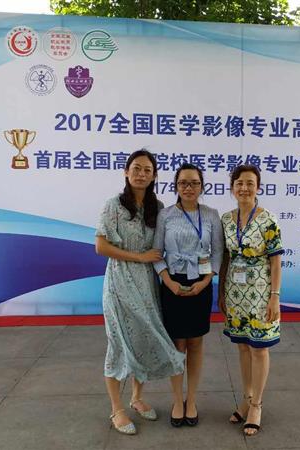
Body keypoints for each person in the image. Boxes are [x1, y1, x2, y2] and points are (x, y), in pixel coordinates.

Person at [95, 149, 185, 435]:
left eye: (147, 169)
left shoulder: (157, 207)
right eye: (136, 168)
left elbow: (163, 245)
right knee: (118, 342)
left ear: (154, 175)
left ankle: (136, 397)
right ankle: (117, 408)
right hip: (119, 280)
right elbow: (101, 246)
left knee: (144, 337)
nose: (141, 173)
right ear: (126, 172)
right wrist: (139, 257)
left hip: (147, 283)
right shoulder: (113, 205)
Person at [153, 163, 224, 427]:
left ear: (202, 186)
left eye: (194, 183)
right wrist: (168, 281)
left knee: (195, 343)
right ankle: (176, 400)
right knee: (176, 345)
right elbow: (156, 253)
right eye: (183, 183)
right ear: (176, 186)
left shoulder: (211, 215)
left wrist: (206, 281)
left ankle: (191, 400)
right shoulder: (166, 215)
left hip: (201, 284)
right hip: (173, 284)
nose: (188, 188)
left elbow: (218, 251)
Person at [218, 164, 284, 437]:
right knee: (243, 347)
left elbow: (276, 261)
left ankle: (256, 405)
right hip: (235, 292)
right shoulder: (226, 219)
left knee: (259, 348)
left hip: (261, 292)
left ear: (258, 187)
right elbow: (225, 257)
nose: (244, 188)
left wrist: (275, 297)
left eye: (249, 183)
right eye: (239, 183)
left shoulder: (268, 219)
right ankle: (246, 399)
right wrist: (221, 292)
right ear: (232, 187)